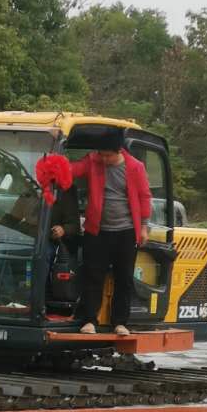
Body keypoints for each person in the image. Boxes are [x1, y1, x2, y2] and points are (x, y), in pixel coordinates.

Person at [69, 129, 151, 336]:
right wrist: (55, 166)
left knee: (124, 278)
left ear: (119, 151)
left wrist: (143, 227)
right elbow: (73, 170)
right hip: (96, 231)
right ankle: (89, 320)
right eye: (101, 154)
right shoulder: (93, 161)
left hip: (126, 231)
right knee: (92, 276)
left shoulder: (135, 167)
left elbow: (144, 197)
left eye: (108, 155)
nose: (104, 159)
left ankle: (120, 322)